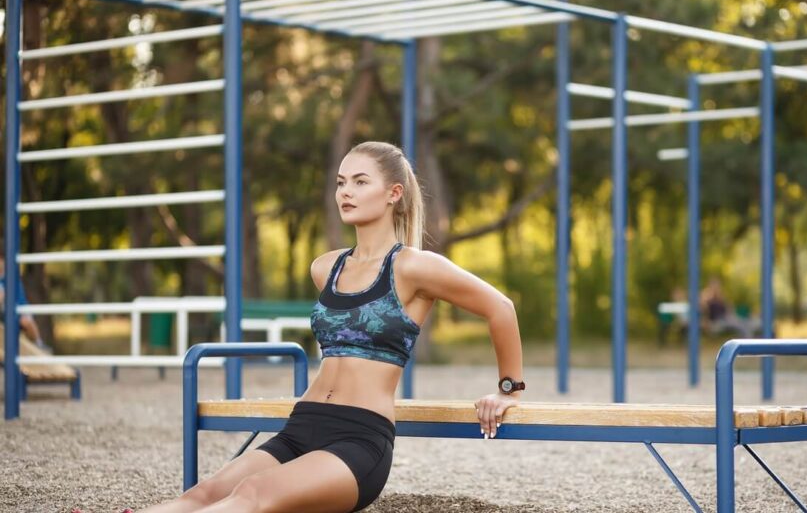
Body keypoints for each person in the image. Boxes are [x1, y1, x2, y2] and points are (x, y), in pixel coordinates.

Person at [141, 141, 525, 513]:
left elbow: (501, 309)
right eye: (341, 182)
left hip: (358, 442)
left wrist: (508, 390)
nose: (346, 192)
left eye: (360, 181)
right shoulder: (326, 268)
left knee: (252, 494)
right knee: (204, 493)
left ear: (393, 193)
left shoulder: (414, 267)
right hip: (302, 426)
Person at [0, 247, 46, 350]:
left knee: (26, 321)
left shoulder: (11, 275)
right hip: (4, 312)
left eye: (0, 260)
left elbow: (16, 298)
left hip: (18, 308)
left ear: (4, 261)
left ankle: (39, 344)